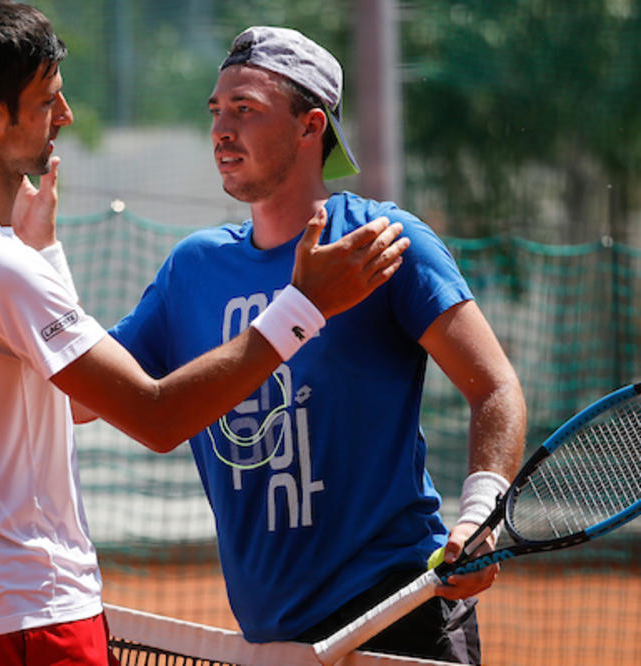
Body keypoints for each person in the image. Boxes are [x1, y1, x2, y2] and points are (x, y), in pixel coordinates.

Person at [0, 3, 409, 664]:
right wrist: (304, 306)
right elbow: (155, 416)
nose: (63, 117)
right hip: (37, 622)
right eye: (47, 102)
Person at [106, 26, 526, 664]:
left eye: (245, 109)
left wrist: (480, 514)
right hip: (272, 637)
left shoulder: (381, 240)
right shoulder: (191, 270)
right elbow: (88, 399)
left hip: (398, 606)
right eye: (217, 111)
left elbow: (493, 385)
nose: (221, 129)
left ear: (311, 125)